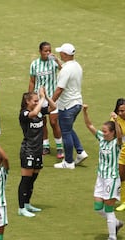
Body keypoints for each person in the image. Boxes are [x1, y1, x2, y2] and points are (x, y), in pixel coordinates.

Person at [82, 104, 123, 240]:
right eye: (103, 131)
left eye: (105, 131)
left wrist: (116, 121)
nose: (103, 133)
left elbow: (120, 135)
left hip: (111, 178)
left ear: (112, 132)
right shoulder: (101, 138)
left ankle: (112, 236)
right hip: (101, 177)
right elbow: (89, 125)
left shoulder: (117, 143)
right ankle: (115, 223)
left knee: (109, 209)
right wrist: (85, 111)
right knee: (98, 207)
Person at [18, 88, 56, 217]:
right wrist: (42, 99)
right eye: (35, 101)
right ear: (27, 101)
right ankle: (21, 207)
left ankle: (27, 203)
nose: (37, 102)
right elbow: (33, 114)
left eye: (37, 100)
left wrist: (45, 96)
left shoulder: (39, 112)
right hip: (28, 150)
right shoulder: (24, 114)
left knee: (32, 180)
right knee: (25, 180)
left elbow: (54, 107)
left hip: (38, 151)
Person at [52, 43, 88, 169]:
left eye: (61, 52)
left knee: (65, 131)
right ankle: (80, 151)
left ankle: (68, 162)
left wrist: (52, 102)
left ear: (65, 54)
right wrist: (58, 62)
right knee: (68, 128)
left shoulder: (67, 69)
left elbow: (59, 89)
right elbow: (66, 74)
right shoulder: (76, 66)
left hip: (67, 105)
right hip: (77, 103)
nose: (60, 54)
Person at [29, 41, 64, 159]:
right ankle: (46, 145)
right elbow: (32, 81)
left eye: (49, 50)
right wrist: (30, 96)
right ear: (40, 51)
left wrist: (57, 60)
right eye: (45, 51)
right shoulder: (34, 64)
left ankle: (59, 147)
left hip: (53, 98)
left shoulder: (53, 62)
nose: (48, 53)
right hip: (40, 99)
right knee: (42, 122)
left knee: (54, 122)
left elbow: (63, 70)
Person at [111, 98, 125, 211]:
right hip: (121, 151)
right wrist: (116, 122)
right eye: (119, 110)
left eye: (123, 110)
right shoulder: (115, 119)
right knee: (122, 176)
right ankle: (124, 201)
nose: (121, 113)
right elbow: (118, 137)